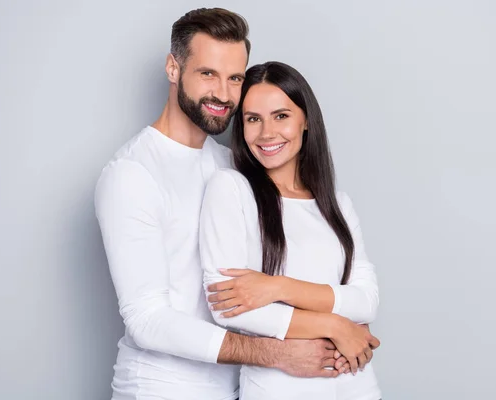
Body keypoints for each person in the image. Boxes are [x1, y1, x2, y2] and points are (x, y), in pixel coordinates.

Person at [94, 9, 372, 400]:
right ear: (174, 69)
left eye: (235, 78)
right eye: (207, 73)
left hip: (240, 387)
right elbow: (146, 319)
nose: (224, 94)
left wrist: (327, 326)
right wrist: (279, 351)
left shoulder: (234, 164)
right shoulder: (132, 174)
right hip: (162, 389)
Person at [199, 61, 382, 400]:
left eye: (281, 116)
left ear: (306, 120)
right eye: (253, 119)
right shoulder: (231, 189)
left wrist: (277, 287)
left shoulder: (337, 204)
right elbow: (229, 305)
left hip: (358, 387)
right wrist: (335, 324)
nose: (267, 132)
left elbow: (366, 301)